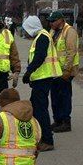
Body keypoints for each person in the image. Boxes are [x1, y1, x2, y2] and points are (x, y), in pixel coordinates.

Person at [20, 14, 60, 151]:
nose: (25, 32)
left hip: (43, 78)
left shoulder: (42, 37)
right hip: (41, 78)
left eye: (26, 28)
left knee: (40, 109)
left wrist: (28, 72)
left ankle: (47, 140)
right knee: (36, 108)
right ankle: (41, 135)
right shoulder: (42, 36)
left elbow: (39, 57)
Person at [48, 11, 80, 133]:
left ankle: (66, 122)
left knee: (64, 96)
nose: (51, 23)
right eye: (50, 21)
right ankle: (57, 120)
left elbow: (71, 52)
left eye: (53, 21)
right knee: (55, 96)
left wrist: (67, 70)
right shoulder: (53, 32)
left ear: (60, 20)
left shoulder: (69, 31)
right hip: (55, 70)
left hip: (65, 71)